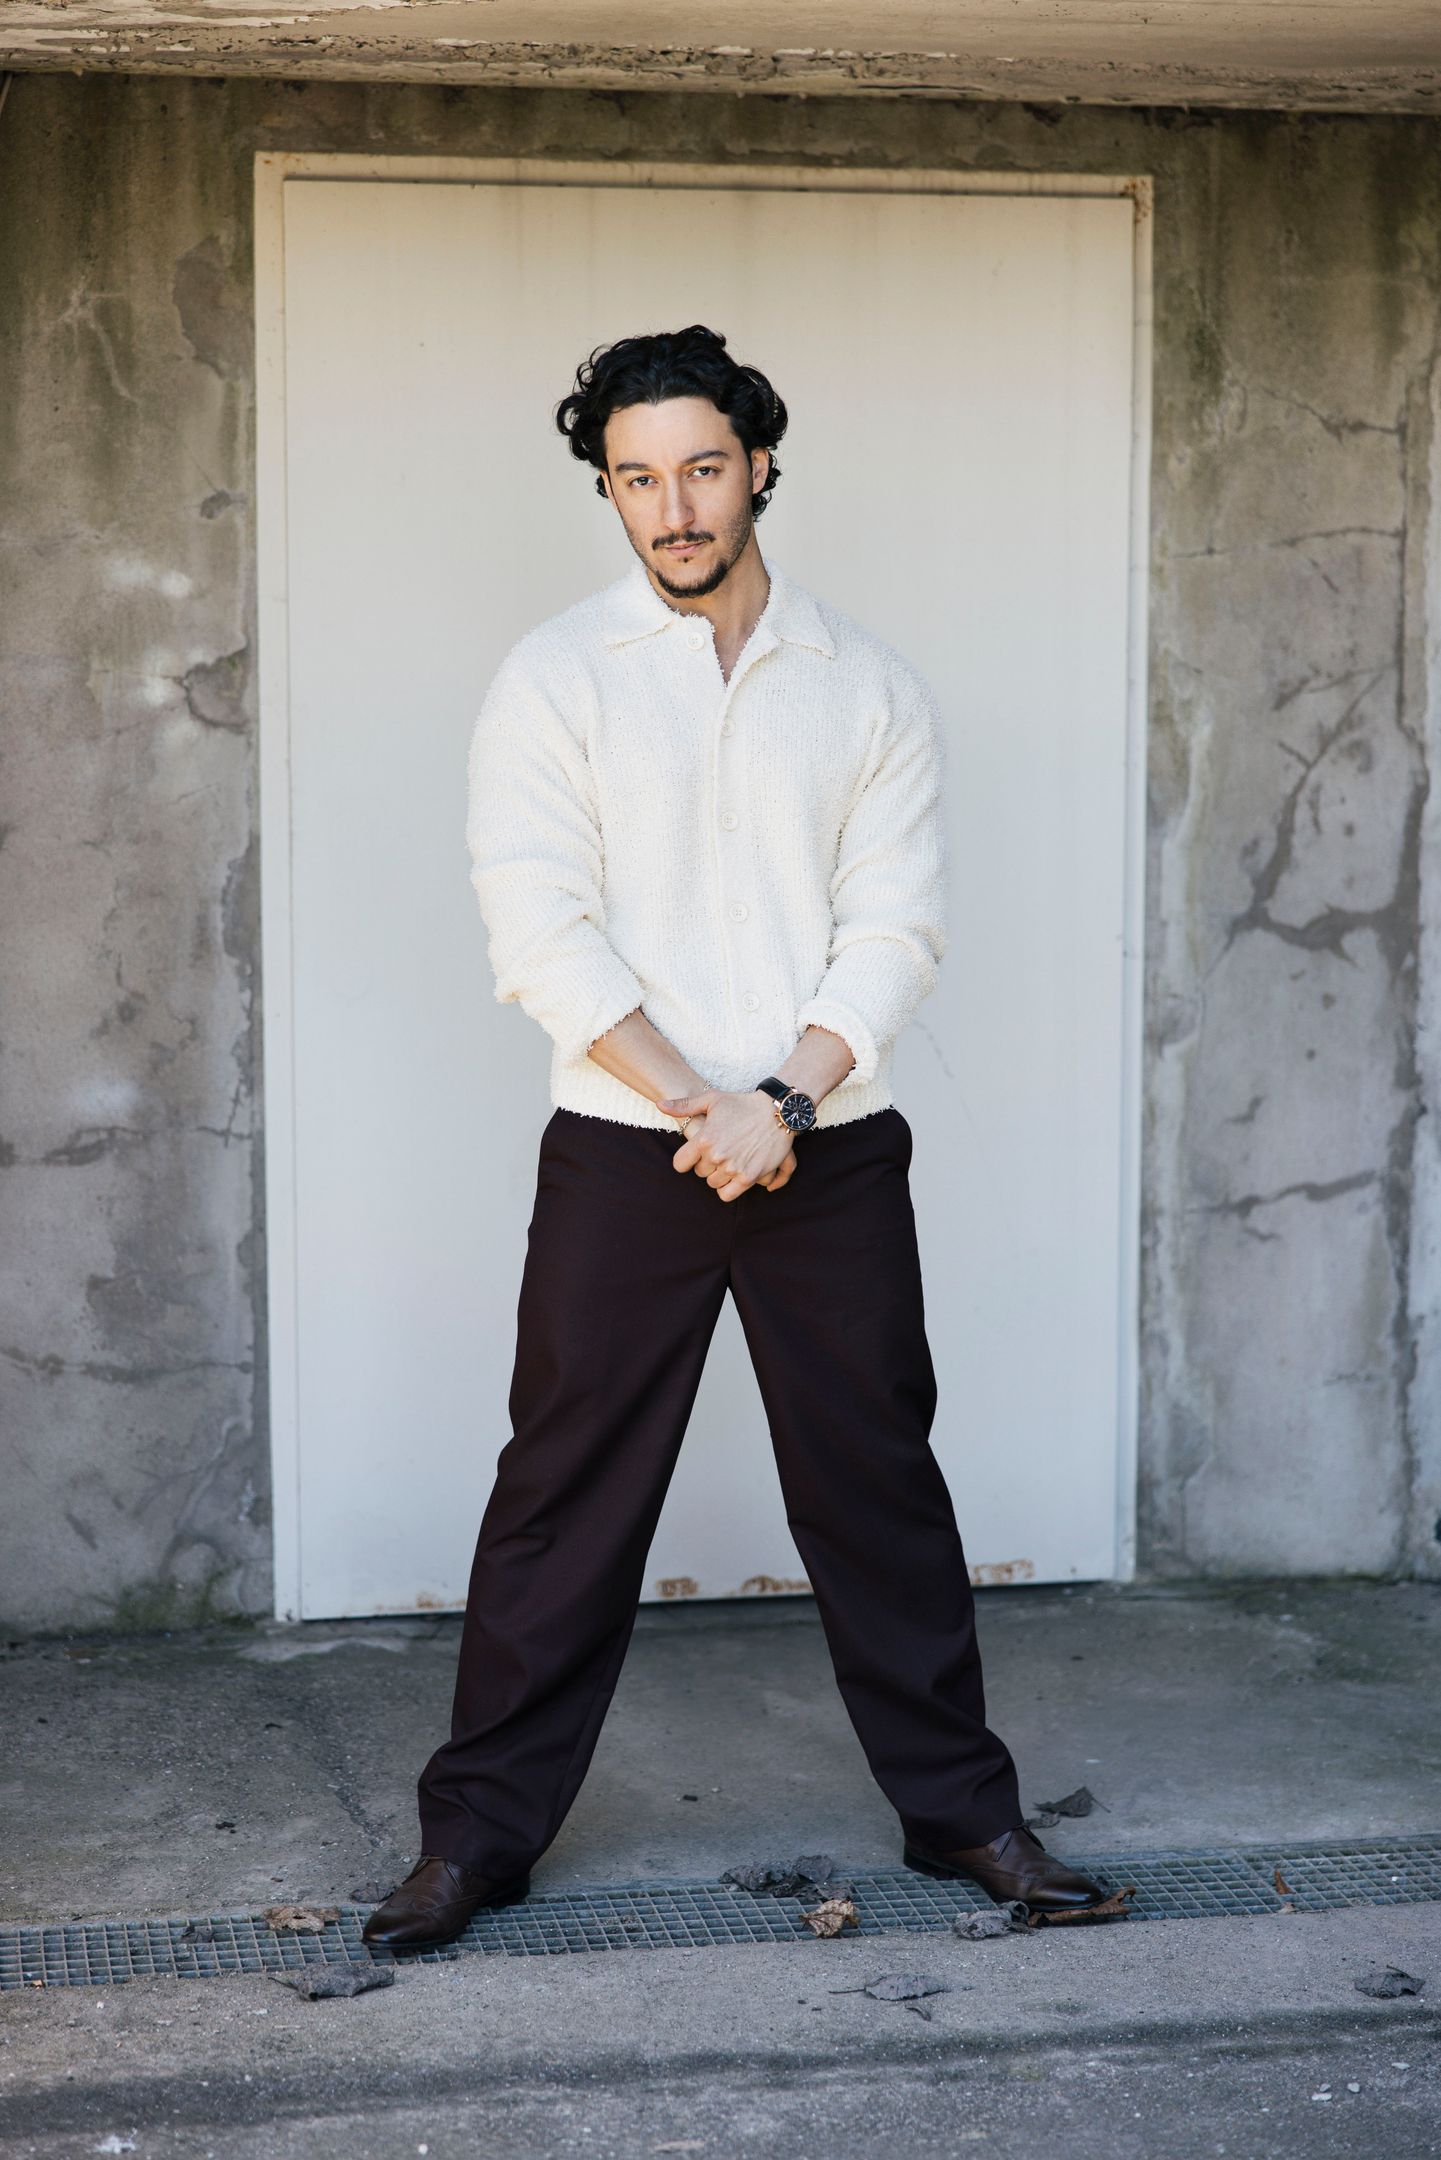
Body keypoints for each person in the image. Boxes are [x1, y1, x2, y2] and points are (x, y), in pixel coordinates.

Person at [363, 325, 1105, 1951]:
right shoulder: (555, 676)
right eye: (636, 479)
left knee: (876, 1488)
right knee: (562, 1495)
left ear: (760, 466)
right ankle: (474, 1840)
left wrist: (783, 1101)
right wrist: (699, 1102)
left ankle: (962, 1815)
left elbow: (895, 931)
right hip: (623, 1147)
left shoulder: (865, 683)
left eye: (701, 469)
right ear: (608, 491)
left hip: (825, 1148)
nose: (673, 507)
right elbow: (537, 929)